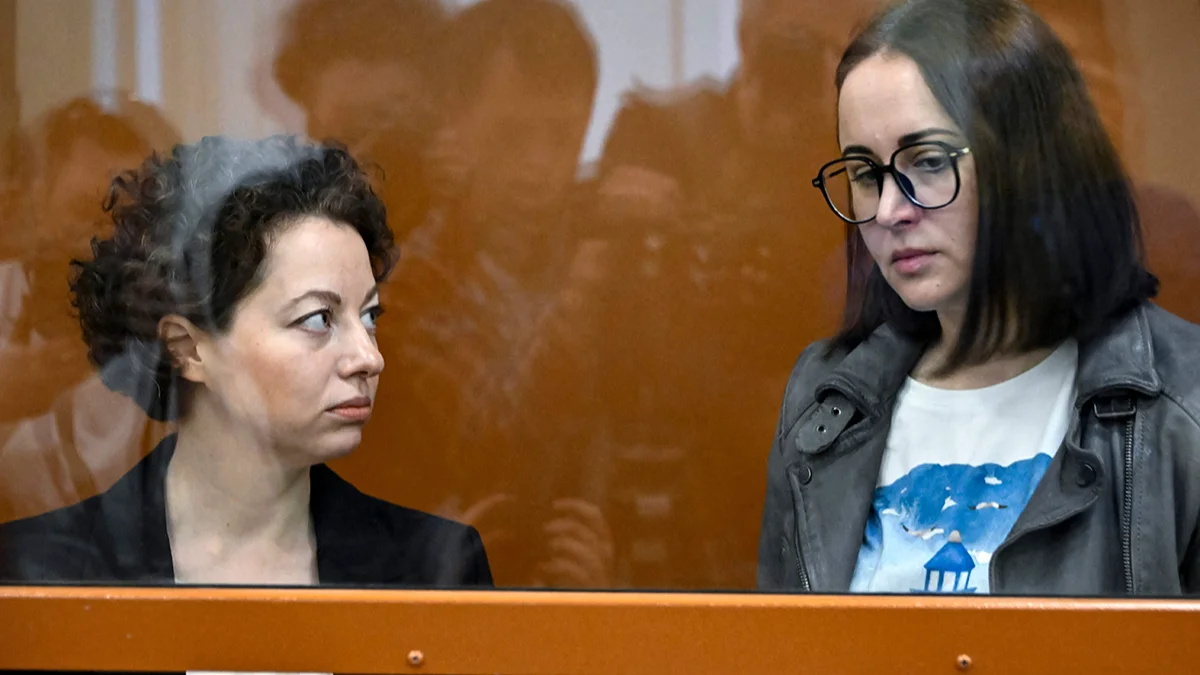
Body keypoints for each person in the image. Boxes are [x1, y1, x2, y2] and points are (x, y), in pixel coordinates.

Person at [757, 0, 1200, 595]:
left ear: (1030, 165)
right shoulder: (822, 405)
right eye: (864, 173)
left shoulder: (1182, 407)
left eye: (929, 161)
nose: (889, 211)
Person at [0, 135, 492, 587]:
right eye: (318, 319)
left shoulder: (435, 568)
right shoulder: (39, 571)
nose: (369, 357)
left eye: (369, 316)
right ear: (187, 348)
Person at [0, 95, 179, 523]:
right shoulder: (4, 296)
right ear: (38, 205)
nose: (107, 237)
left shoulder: (179, 330)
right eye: (84, 210)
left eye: (132, 215)